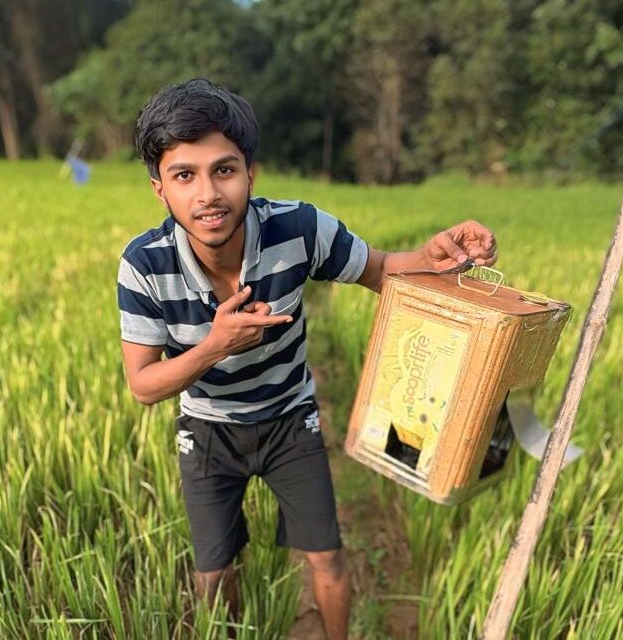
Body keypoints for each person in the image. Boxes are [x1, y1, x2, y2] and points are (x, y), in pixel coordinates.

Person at [116, 78, 497, 640]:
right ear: (160, 190)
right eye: (184, 175)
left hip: (291, 417)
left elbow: (382, 270)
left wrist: (434, 257)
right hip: (209, 427)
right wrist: (217, 345)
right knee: (213, 573)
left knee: (326, 556)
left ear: (251, 174)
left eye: (224, 170)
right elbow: (144, 385)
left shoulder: (299, 228)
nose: (208, 194)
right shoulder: (144, 265)